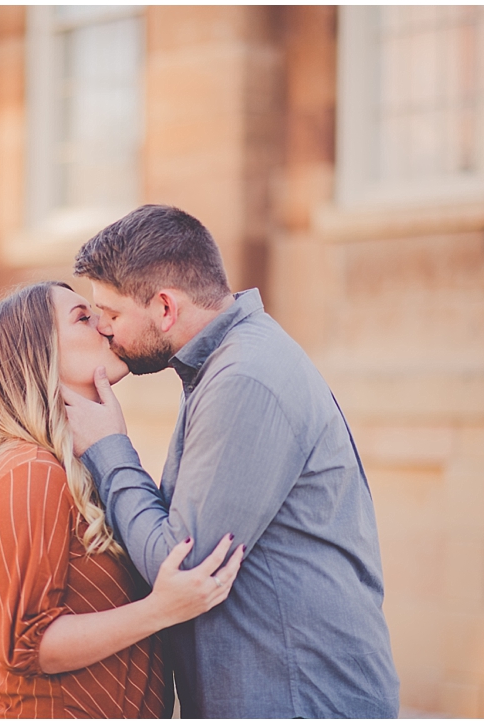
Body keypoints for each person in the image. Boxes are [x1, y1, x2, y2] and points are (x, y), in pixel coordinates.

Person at [61, 205, 401, 718]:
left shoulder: (244, 378)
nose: (103, 331)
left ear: (165, 308)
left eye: (110, 315)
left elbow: (181, 566)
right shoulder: (224, 364)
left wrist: (109, 446)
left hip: (297, 702)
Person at [0, 280, 245, 718]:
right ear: (39, 355)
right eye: (83, 317)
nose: (105, 325)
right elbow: (27, 644)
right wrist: (160, 609)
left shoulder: (78, 467)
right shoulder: (30, 472)